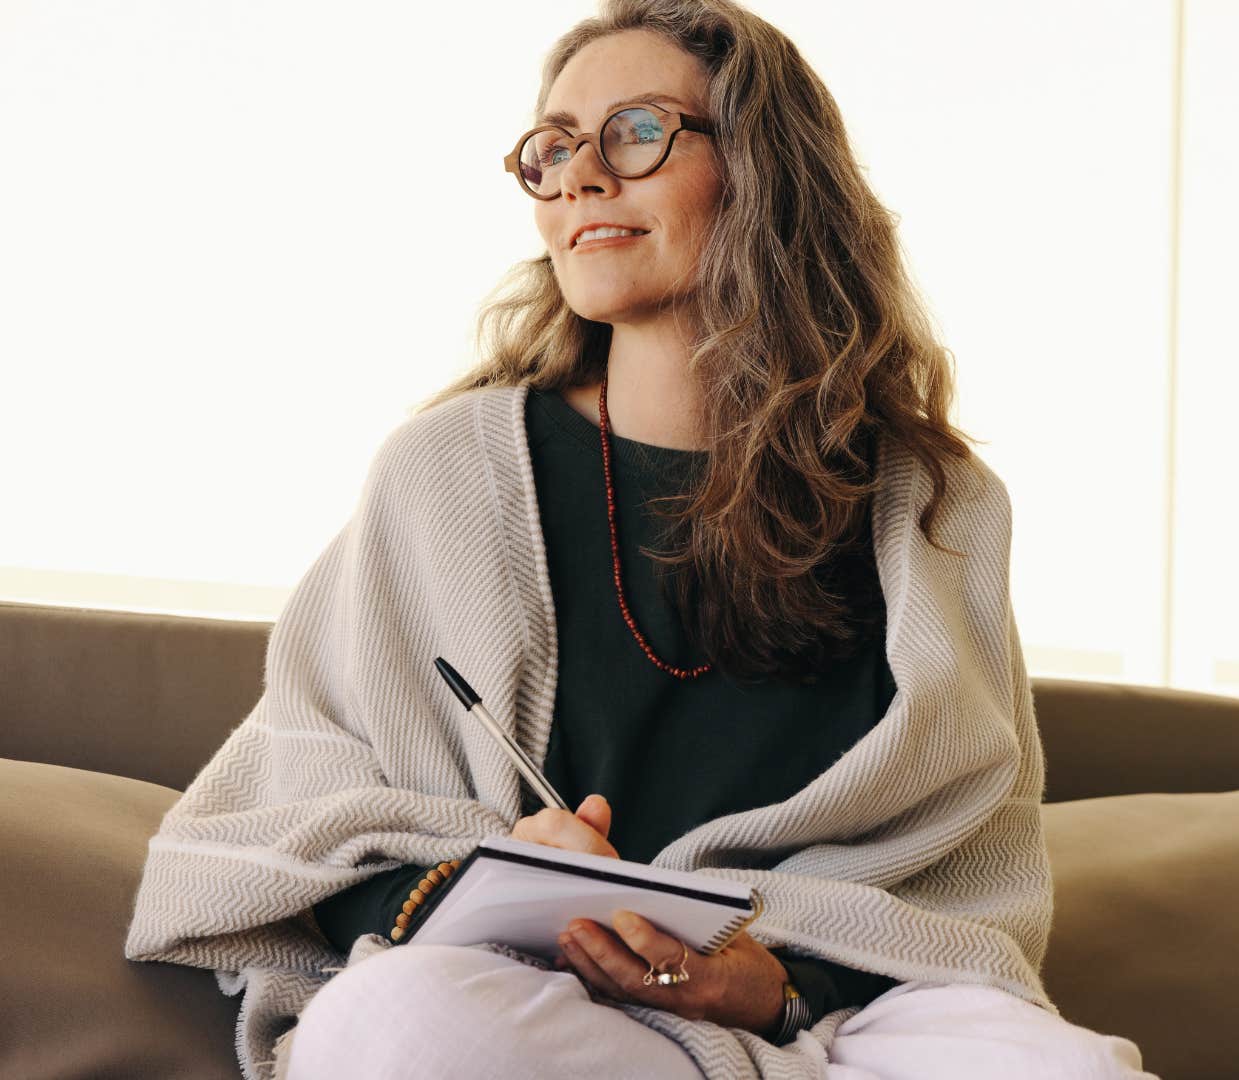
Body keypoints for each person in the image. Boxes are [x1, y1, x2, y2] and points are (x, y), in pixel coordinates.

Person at [123, 2, 1155, 1077]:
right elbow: (300, 815)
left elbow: (960, 889)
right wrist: (485, 875)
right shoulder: (445, 475)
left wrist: (780, 983)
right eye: (554, 146)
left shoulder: (935, 505)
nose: (578, 177)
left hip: (842, 1026)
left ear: (761, 168)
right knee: (389, 1025)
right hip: (538, 1000)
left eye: (633, 133)